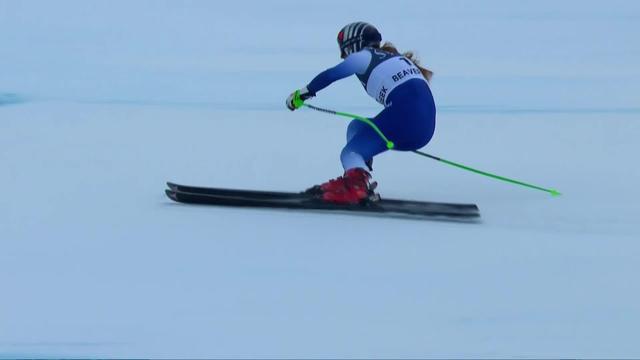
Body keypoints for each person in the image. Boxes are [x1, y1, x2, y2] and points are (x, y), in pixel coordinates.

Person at [286, 22, 436, 204]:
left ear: (354, 44)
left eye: (344, 50)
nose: (343, 56)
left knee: (350, 153)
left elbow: (331, 75)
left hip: (406, 117)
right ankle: (356, 175)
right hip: (424, 128)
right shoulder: (392, 57)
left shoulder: (364, 57)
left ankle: (356, 186)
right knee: (357, 126)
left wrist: (301, 94)